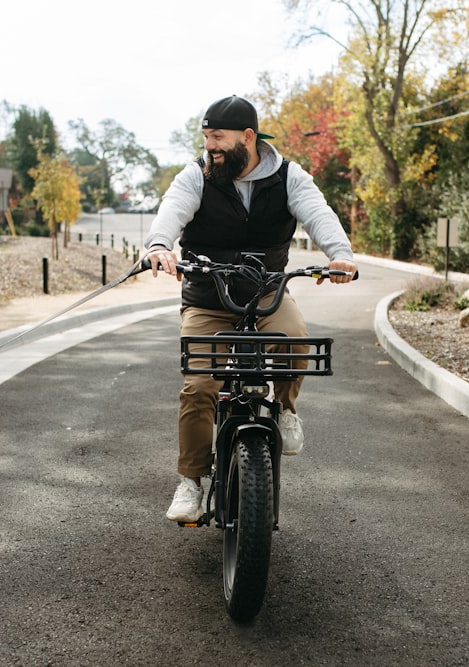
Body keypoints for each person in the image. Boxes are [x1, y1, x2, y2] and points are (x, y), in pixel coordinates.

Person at [143, 95, 358, 522]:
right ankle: (190, 480)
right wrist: (159, 245)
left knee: (296, 341)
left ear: (248, 136)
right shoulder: (197, 175)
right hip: (208, 299)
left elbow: (319, 213)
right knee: (200, 384)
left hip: (267, 295)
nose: (210, 146)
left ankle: (284, 410)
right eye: (206, 137)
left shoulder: (288, 177)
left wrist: (340, 254)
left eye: (217, 137)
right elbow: (171, 212)